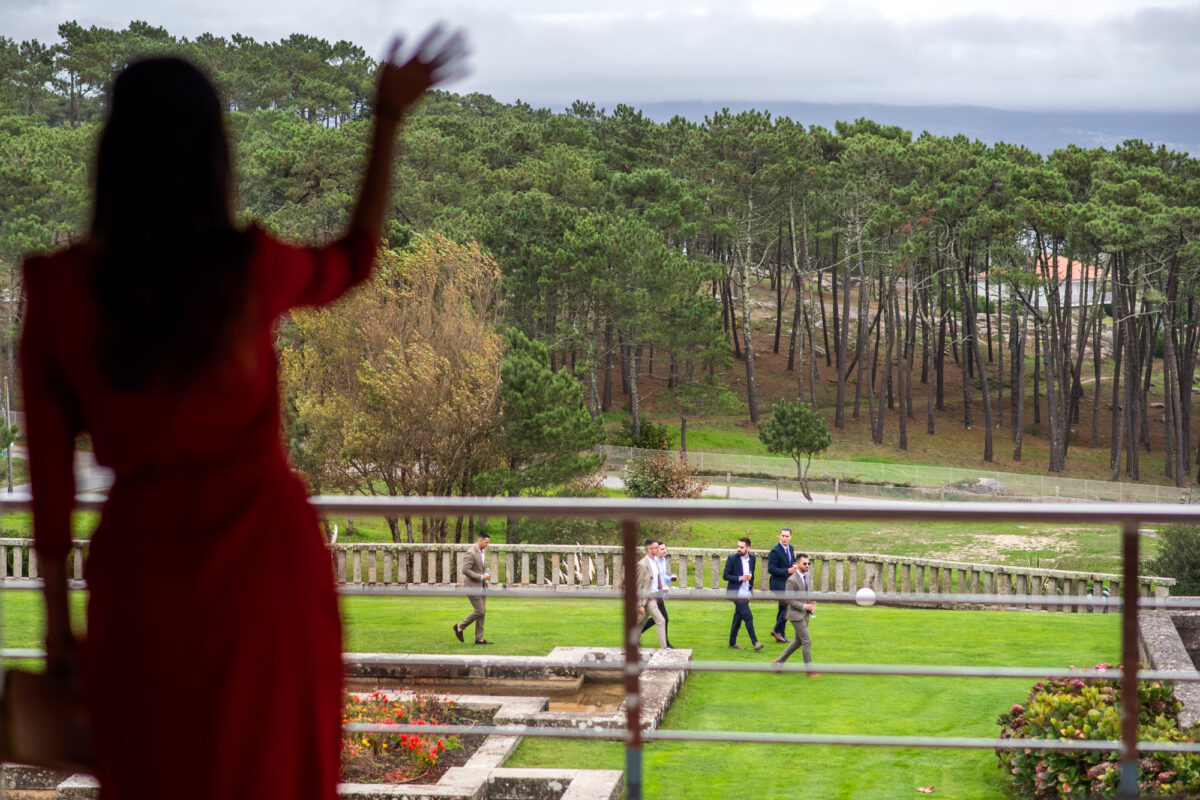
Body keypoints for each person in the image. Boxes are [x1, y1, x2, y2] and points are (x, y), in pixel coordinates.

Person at [22, 30, 466, 800]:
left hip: (145, 579)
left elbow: (52, 489)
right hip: (269, 575)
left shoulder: (62, 291)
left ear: (112, 156)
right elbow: (355, 258)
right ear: (214, 157)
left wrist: (60, 628)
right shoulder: (247, 270)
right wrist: (387, 118)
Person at [773, 553, 819, 676]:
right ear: (798, 564)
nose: (807, 565)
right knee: (807, 640)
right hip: (795, 615)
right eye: (804, 563)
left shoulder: (807, 577)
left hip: (805, 614)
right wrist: (804, 606)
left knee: (798, 641)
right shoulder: (791, 580)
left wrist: (812, 605)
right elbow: (788, 600)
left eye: (808, 563)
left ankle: (778, 662)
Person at [723, 536, 764, 651]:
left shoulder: (752, 559)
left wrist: (750, 591)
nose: (739, 549)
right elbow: (725, 576)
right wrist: (740, 578)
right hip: (736, 593)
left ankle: (732, 643)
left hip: (746, 593)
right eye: (738, 546)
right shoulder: (732, 559)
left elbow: (752, 575)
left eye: (742, 547)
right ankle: (755, 642)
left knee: (738, 618)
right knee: (748, 616)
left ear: (748, 548)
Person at [454, 533, 492, 644]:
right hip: (472, 586)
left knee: (482, 612)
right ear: (480, 541)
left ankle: (479, 639)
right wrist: (480, 577)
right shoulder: (471, 552)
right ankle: (459, 626)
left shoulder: (482, 551)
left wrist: (484, 576)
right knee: (479, 611)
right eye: (486, 542)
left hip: (482, 586)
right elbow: (465, 570)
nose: (487, 544)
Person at [641, 540, 676, 647]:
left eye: (665, 548)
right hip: (651, 596)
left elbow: (660, 577)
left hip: (659, 595)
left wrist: (668, 580)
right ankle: (666, 645)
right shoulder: (648, 563)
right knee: (662, 619)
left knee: (650, 619)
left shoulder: (661, 561)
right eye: (661, 549)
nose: (664, 550)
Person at [766, 527, 798, 643]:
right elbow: (771, 569)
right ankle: (776, 630)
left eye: (787, 536)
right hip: (777, 584)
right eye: (783, 536)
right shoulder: (775, 551)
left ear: (790, 537)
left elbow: (792, 561)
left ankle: (780, 635)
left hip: (787, 584)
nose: (784, 538)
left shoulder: (791, 548)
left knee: (782, 608)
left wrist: (794, 566)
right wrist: (787, 571)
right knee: (787, 607)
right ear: (779, 536)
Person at [636, 539, 668, 649]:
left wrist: (662, 589)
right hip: (648, 598)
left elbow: (657, 580)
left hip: (655, 597)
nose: (658, 549)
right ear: (649, 549)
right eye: (656, 547)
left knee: (640, 623)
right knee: (661, 621)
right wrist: (639, 604)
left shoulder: (655, 562)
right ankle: (664, 649)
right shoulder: (642, 564)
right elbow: (638, 585)